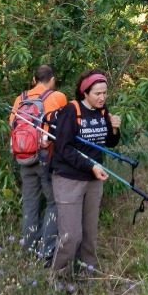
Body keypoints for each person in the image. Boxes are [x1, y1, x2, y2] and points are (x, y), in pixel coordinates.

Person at [50, 69, 121, 276]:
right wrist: (91, 166)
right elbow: (63, 148)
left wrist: (115, 129)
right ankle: (58, 278)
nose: (102, 97)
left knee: (90, 233)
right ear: (85, 93)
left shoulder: (102, 111)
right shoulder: (71, 111)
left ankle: (87, 274)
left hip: (94, 179)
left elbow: (108, 143)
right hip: (69, 179)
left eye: (105, 93)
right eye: (97, 93)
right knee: (71, 235)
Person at [9, 64, 67, 262]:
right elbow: (64, 128)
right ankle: (46, 252)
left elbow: (12, 126)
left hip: (23, 158)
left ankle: (29, 250)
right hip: (46, 159)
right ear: (52, 80)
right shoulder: (57, 97)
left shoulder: (20, 99)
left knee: (30, 203)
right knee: (53, 203)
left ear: (34, 80)